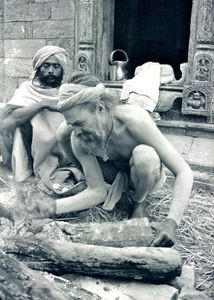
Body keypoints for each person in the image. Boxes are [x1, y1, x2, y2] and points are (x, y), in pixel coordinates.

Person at [34, 82, 193, 247]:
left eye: (80, 123)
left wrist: (171, 223)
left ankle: (138, 201)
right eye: (72, 125)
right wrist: (48, 207)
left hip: (145, 174)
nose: (77, 131)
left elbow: (183, 171)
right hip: (113, 177)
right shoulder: (79, 136)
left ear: (100, 109)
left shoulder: (135, 120)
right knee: (62, 133)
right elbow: (97, 192)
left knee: (145, 155)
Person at [0, 45, 85, 196]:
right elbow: (8, 121)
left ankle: (61, 174)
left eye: (56, 66)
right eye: (46, 66)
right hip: (32, 148)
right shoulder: (27, 89)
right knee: (27, 123)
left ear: (62, 69)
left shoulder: (68, 91)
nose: (51, 70)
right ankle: (32, 176)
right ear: (38, 68)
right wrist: (42, 104)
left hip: (65, 146)